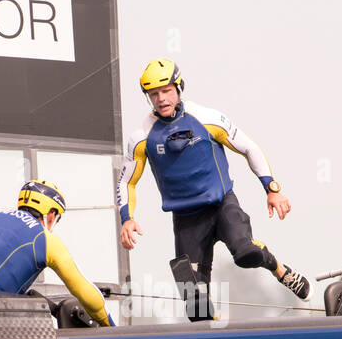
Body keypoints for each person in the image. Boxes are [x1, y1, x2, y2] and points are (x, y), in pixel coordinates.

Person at [116, 58, 310, 321]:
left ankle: (281, 270)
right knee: (195, 304)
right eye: (153, 94)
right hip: (186, 220)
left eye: (166, 91)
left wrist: (272, 189)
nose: (161, 99)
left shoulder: (207, 118)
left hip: (222, 205)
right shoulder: (141, 136)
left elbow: (248, 148)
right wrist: (126, 219)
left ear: (179, 87)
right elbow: (127, 181)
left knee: (246, 253)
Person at [0, 180, 113, 326]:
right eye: (57, 217)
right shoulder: (43, 238)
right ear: (51, 214)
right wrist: (110, 327)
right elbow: (87, 294)